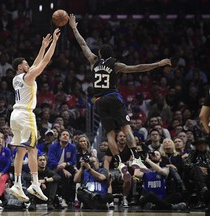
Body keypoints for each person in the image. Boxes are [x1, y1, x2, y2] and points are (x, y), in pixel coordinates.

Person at [69, 14, 171, 174]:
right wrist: (158, 64)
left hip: (99, 100)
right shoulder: (116, 65)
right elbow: (138, 68)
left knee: (110, 133)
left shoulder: (93, 61)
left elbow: (82, 44)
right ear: (111, 55)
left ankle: (119, 163)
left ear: (100, 54)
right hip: (112, 96)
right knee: (126, 129)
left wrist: (74, 28)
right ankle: (136, 158)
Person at [9, 28, 60, 203]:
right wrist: (54, 42)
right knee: (33, 149)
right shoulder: (28, 77)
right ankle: (35, 183)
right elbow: (45, 61)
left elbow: (37, 62)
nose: (29, 65)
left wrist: (42, 45)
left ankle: (16, 183)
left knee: (20, 150)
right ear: (20, 67)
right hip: (25, 115)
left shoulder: (17, 78)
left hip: (14, 115)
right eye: (25, 63)